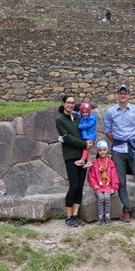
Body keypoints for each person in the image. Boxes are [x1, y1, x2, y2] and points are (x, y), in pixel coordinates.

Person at [104, 84, 135, 225]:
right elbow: (108, 130)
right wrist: (118, 141)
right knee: (121, 182)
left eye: (125, 93)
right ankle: (126, 209)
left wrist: (131, 140)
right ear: (117, 95)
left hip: (133, 149)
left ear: (129, 95)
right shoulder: (111, 112)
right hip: (118, 150)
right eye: (120, 93)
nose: (123, 95)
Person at [56, 94, 93, 227]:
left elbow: (87, 132)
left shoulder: (78, 118)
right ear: (64, 103)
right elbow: (67, 138)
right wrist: (84, 144)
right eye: (68, 102)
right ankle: (69, 216)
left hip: (83, 156)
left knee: (80, 187)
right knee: (73, 186)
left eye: (72, 102)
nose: (71, 105)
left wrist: (89, 141)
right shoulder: (60, 120)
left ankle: (76, 215)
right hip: (70, 156)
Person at [87, 139, 120, 225]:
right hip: (98, 186)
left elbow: (114, 175)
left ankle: (108, 217)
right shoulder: (95, 163)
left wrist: (114, 187)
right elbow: (91, 176)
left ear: (107, 150)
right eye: (100, 150)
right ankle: (101, 217)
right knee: (101, 198)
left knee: (107, 198)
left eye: (104, 150)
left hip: (108, 186)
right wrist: (94, 185)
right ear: (98, 151)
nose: (102, 152)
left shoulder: (111, 162)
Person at [75, 102, 97, 168]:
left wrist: (80, 126)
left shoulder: (92, 118)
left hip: (90, 136)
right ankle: (89, 161)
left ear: (89, 111)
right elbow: (78, 114)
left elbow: (88, 125)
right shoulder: (83, 117)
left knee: (86, 148)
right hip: (87, 136)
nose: (84, 114)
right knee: (87, 149)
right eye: (83, 113)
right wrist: (74, 112)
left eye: (86, 112)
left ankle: (83, 159)